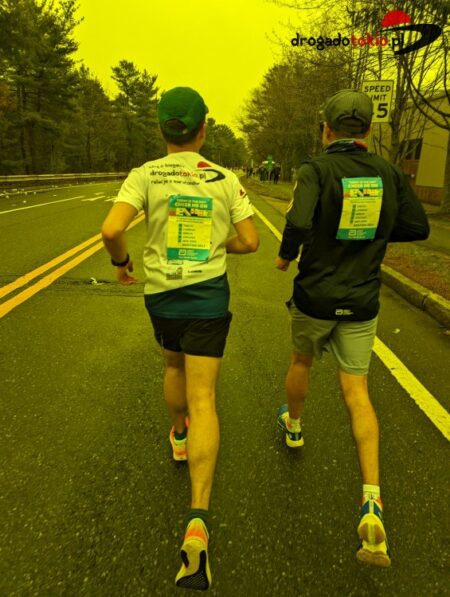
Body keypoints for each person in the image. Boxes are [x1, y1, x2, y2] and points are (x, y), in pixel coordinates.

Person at [101, 86, 259, 590]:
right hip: (208, 299)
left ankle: (179, 436)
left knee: (173, 366)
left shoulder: (145, 175)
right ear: (203, 129)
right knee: (204, 396)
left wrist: (123, 263)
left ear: (161, 129)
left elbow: (111, 230)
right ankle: (197, 520)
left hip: (163, 297)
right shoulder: (224, 178)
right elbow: (252, 241)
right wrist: (220, 243)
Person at [275, 89, 429, 568]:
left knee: (301, 361)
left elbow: (299, 221)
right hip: (362, 300)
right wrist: (374, 230)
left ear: (327, 129)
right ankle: (372, 500)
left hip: (315, 297)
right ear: (366, 129)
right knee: (357, 391)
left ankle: (294, 426)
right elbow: (417, 227)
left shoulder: (316, 170)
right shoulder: (388, 172)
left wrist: (285, 256)